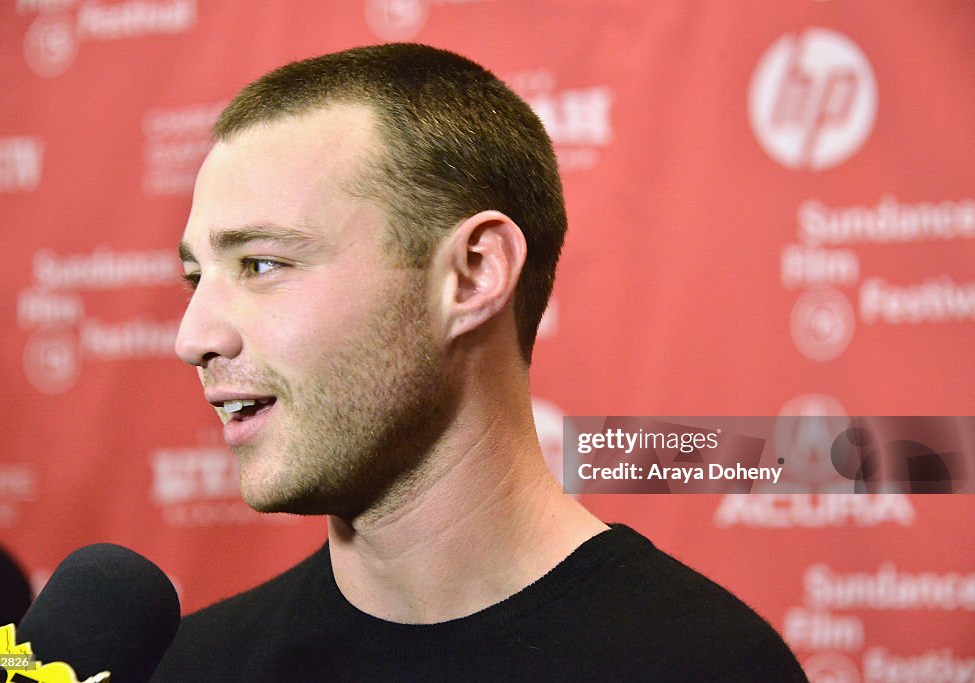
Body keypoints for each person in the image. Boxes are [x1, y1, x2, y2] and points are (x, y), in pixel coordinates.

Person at [152, 43, 806, 681]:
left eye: (260, 264)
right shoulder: (192, 664)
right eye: (195, 277)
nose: (194, 337)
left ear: (472, 275)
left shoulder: (705, 664)